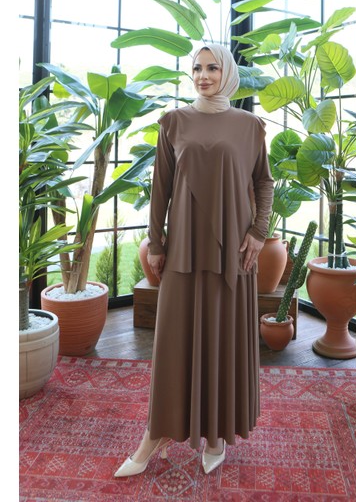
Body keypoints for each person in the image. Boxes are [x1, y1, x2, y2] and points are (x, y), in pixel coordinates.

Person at [114, 43, 274, 478]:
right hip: (183, 247)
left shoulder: (250, 126)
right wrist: (156, 242)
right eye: (197, 68)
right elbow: (160, 189)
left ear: (227, 73)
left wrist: (259, 232)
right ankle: (157, 433)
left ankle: (217, 433)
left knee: (223, 336)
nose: (203, 75)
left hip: (234, 251)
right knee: (174, 341)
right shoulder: (174, 122)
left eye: (212, 68)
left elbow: (264, 182)